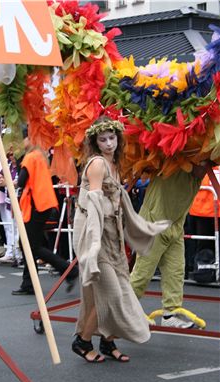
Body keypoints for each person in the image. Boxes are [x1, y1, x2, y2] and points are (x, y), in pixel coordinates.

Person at [72, 116, 170, 363]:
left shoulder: (113, 162)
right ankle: (82, 342)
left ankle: (107, 341)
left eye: (112, 138)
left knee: (111, 290)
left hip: (111, 234)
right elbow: (94, 204)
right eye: (103, 139)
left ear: (118, 138)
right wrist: (94, 245)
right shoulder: (97, 164)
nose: (108, 143)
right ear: (95, 142)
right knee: (111, 293)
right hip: (94, 234)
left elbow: (115, 201)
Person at [130, 162, 209, 328]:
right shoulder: (170, 161)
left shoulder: (195, 175)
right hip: (152, 224)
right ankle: (124, 312)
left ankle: (170, 315)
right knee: (143, 273)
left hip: (175, 226)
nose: (206, 167)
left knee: (176, 272)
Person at [12, 144, 79, 295]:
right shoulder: (39, 156)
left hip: (36, 205)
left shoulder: (30, 157)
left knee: (30, 246)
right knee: (30, 245)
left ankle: (67, 270)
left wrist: (9, 182)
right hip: (42, 204)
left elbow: (22, 181)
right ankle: (31, 282)